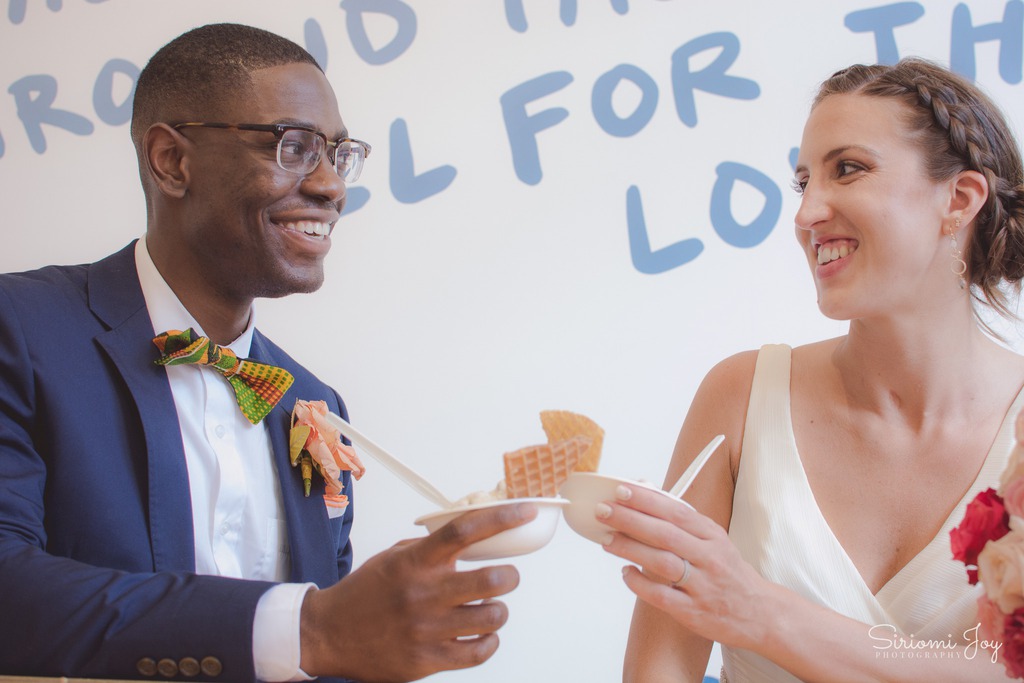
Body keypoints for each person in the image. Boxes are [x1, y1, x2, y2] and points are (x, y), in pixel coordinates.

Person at [0, 23, 537, 683]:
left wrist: (378, 641)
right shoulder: (19, 329)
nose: (331, 187)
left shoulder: (316, 404)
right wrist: (311, 627)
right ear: (172, 161)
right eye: (293, 146)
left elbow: (327, 653)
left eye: (339, 155)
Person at [598, 58, 1024, 681]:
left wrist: (759, 613)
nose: (806, 214)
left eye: (847, 169)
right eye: (804, 182)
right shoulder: (740, 399)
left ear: (958, 200)